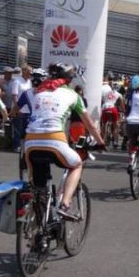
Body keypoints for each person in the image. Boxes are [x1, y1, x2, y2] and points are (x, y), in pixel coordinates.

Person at [24, 63, 104, 220]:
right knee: (76, 164)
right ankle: (65, 204)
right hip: (54, 139)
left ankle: (37, 224)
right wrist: (100, 143)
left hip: (30, 142)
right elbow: (89, 125)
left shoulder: (39, 92)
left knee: (38, 187)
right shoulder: (73, 95)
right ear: (69, 79)